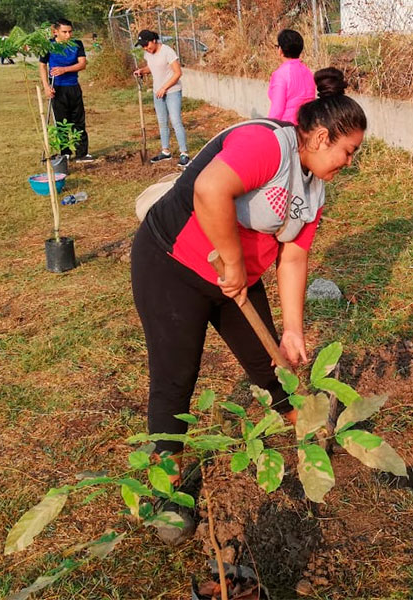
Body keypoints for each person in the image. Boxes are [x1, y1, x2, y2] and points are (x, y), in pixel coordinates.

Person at [131, 67, 366, 542]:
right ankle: (164, 490)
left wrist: (294, 328)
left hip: (235, 276)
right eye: (348, 151)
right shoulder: (268, 145)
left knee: (271, 366)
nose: (350, 161)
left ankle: (310, 438)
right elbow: (209, 189)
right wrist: (234, 266)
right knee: (177, 377)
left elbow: (295, 255)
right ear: (321, 137)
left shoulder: (314, 186)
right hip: (172, 262)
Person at [39, 18, 93, 163]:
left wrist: (65, 69)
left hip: (73, 86)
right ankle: (65, 152)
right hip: (57, 88)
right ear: (55, 32)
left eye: (70, 32)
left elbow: (82, 64)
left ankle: (81, 153)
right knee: (61, 122)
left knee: (78, 120)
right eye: (64, 32)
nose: (68, 35)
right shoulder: (48, 45)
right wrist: (46, 86)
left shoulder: (77, 44)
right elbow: (42, 66)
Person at [132, 30, 190, 167]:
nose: (146, 48)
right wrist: (141, 71)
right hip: (157, 93)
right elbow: (152, 67)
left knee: (175, 121)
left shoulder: (167, 51)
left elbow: (178, 73)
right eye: (143, 46)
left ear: (154, 40)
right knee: (162, 122)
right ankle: (165, 152)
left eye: (147, 45)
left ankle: (184, 153)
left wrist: (165, 88)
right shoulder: (148, 53)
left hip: (172, 92)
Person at [267, 29, 316, 124]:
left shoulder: (280, 74)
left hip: (287, 129)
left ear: (280, 50)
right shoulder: (307, 71)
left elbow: (277, 110)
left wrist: (269, 128)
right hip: (307, 126)